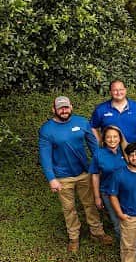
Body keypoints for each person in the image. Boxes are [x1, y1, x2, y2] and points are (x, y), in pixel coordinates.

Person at [39, 96, 112, 252]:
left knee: (90, 204)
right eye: (60, 108)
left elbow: (94, 145)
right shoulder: (47, 130)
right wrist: (51, 179)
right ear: (54, 110)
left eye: (66, 107)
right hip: (62, 177)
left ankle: (97, 233)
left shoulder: (81, 122)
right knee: (69, 208)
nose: (64, 110)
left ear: (71, 107)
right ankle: (74, 237)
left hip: (84, 173)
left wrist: (101, 164)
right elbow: (45, 157)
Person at [90, 125, 128, 238]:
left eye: (115, 137)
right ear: (104, 139)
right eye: (109, 137)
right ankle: (124, 247)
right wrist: (97, 197)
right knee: (117, 221)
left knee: (131, 219)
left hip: (127, 192)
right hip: (108, 193)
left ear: (120, 138)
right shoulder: (99, 154)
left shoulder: (127, 152)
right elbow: (95, 175)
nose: (112, 140)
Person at [90, 79, 136, 144]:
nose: (118, 92)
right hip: (110, 151)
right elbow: (93, 127)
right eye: (115, 90)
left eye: (121, 89)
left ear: (125, 90)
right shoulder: (101, 109)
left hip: (132, 151)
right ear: (110, 92)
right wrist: (99, 143)